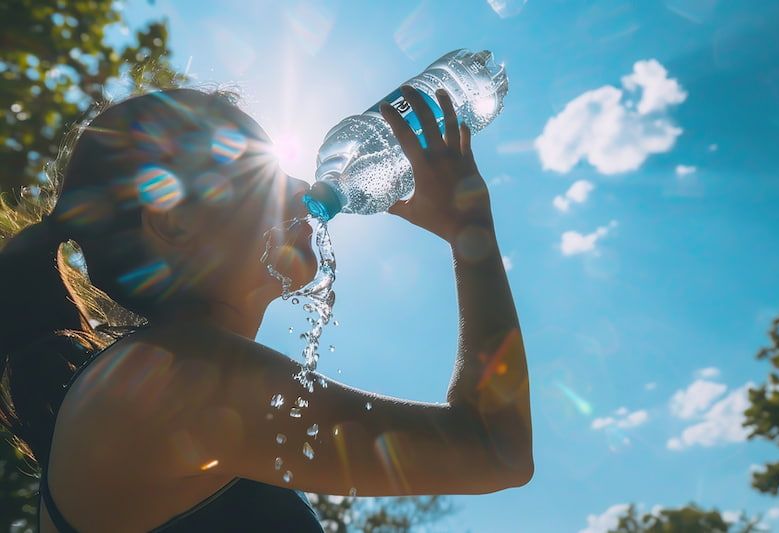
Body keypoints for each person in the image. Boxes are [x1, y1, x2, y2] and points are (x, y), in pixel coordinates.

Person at [0, 85, 533, 532]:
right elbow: (495, 448)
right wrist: (470, 233)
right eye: (262, 172)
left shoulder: (156, 378)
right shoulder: (173, 378)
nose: (301, 185)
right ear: (174, 222)